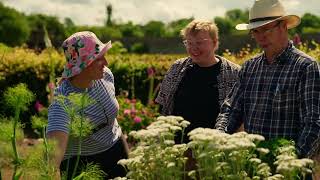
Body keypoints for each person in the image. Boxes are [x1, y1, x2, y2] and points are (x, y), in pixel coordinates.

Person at [215, 0, 320, 161]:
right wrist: (218, 138)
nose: (260, 37)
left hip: (289, 169)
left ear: (283, 26)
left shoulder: (305, 67)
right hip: (253, 164)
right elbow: (231, 109)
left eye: (266, 29)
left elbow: (313, 123)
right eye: (255, 31)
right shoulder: (249, 68)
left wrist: (292, 162)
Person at [47, 31, 128, 179]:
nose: (106, 63)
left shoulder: (106, 75)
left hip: (116, 148)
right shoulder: (63, 101)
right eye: (99, 58)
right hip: (82, 163)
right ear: (83, 65)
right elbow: (53, 155)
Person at [155, 20, 240, 143]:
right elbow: (162, 108)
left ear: (215, 43)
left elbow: (240, 116)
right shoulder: (177, 68)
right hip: (177, 148)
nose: (193, 48)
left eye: (199, 43)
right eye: (189, 43)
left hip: (213, 150)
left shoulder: (234, 73)